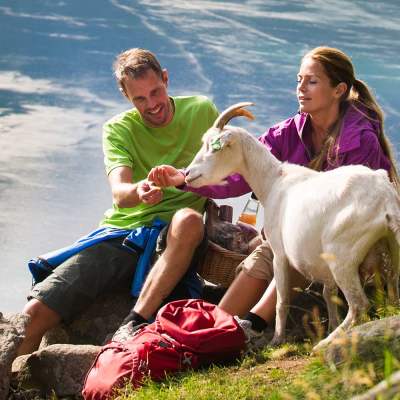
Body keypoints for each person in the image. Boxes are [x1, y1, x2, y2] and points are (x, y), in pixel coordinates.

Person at [148, 46, 400, 346]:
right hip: (312, 236)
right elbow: (242, 174)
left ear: (338, 90)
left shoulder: (359, 139)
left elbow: (359, 203)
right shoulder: (288, 132)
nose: (300, 89)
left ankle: (245, 326)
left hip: (351, 244)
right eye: (298, 80)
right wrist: (183, 179)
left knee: (280, 249)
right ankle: (210, 332)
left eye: (312, 81)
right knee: (272, 249)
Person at [18, 48, 219, 355]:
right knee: (32, 316)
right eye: (140, 99)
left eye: (156, 92)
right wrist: (142, 190)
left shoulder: (203, 111)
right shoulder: (118, 128)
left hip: (179, 239)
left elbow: (226, 170)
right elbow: (121, 194)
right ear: (127, 97)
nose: (152, 105)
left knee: (190, 220)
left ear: (166, 78)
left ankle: (134, 321)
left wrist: (183, 178)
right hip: (125, 235)